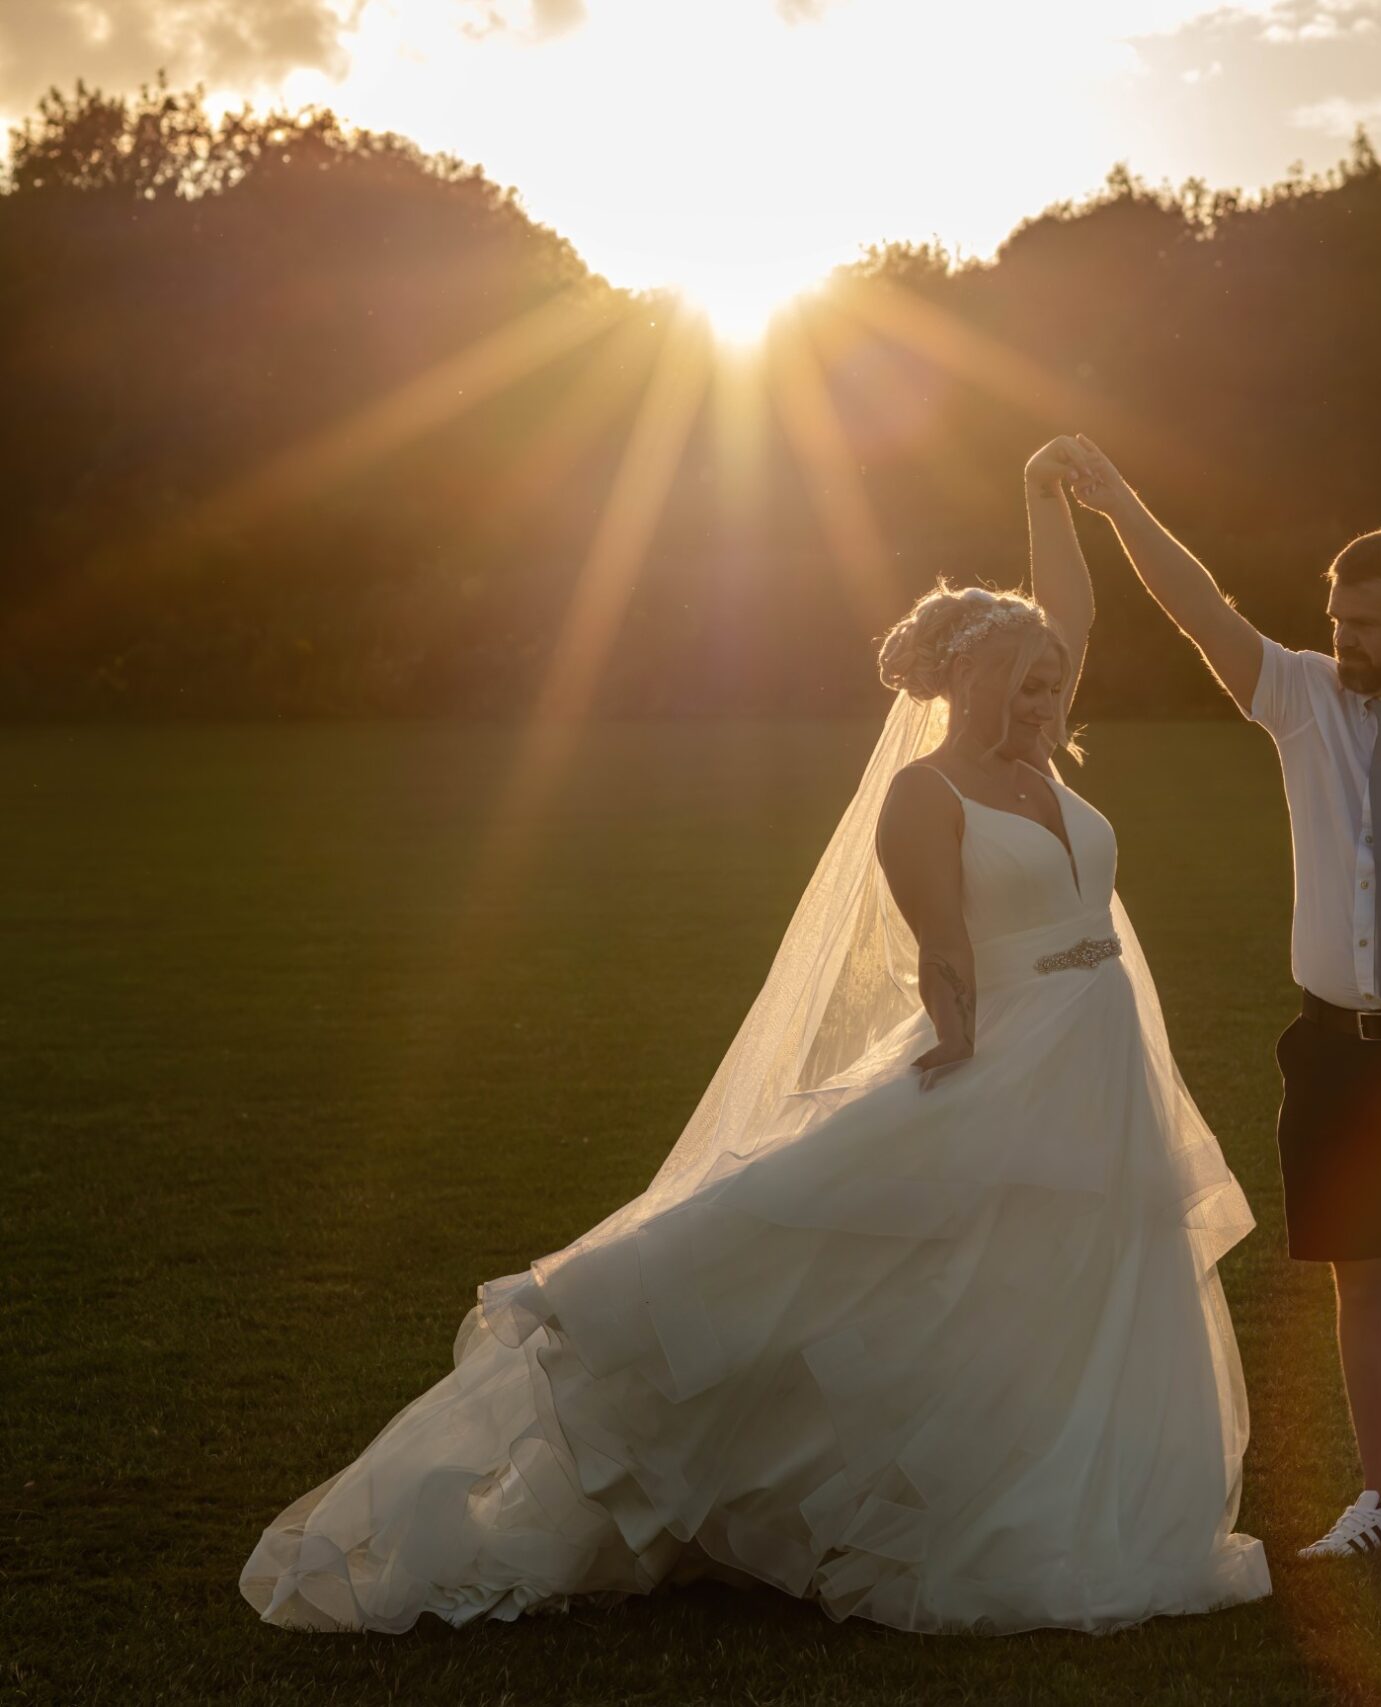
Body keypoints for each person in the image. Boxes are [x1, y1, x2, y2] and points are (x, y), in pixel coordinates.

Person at [239, 438, 1269, 1635]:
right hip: (1012, 1051)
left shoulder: (1041, 746)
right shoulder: (925, 794)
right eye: (1026, 683)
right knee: (965, 1274)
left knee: (1096, 1274)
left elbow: (1072, 613)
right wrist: (955, 1052)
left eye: (1051, 681)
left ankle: (1106, 1507)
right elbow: (939, 949)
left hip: (1104, 1056)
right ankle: (908, 1498)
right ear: (966, 687)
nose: (1049, 698)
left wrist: (1045, 495)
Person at [1065, 435, 1381, 1573]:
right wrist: (1115, 502)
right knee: (1366, 1280)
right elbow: (1196, 606)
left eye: (1367, 622)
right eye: (1336, 616)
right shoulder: (1300, 699)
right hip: (1331, 1048)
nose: (1344, 636)